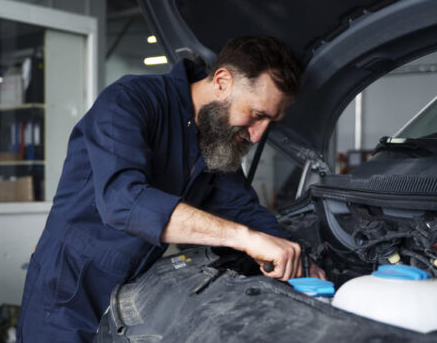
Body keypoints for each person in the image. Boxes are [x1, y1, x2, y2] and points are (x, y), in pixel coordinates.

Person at [17, 36, 322, 343]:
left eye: (271, 122)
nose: (257, 136)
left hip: (133, 290)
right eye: (257, 115)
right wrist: (244, 238)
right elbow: (123, 202)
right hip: (67, 289)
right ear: (222, 81)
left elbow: (243, 210)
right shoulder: (130, 101)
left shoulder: (215, 140)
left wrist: (296, 258)